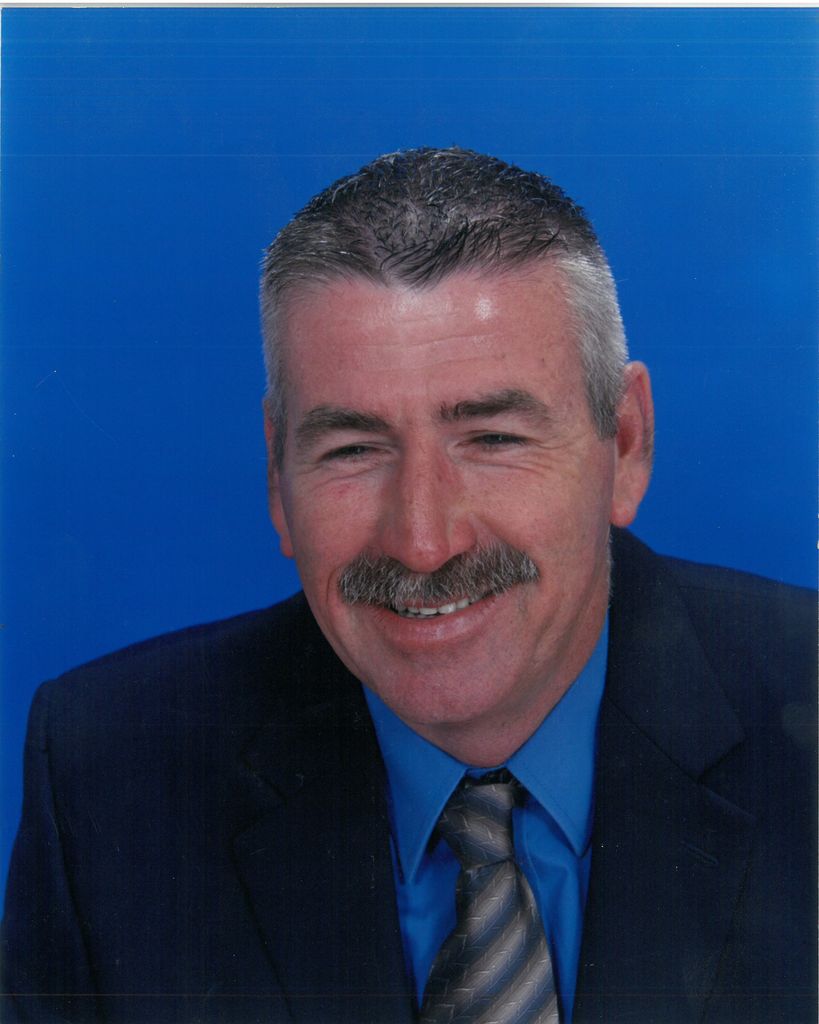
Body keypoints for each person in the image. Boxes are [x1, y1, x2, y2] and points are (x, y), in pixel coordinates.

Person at [2, 148, 815, 1024]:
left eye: (492, 439)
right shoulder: (111, 776)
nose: (423, 543)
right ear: (277, 477)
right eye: (353, 449)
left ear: (624, 444)